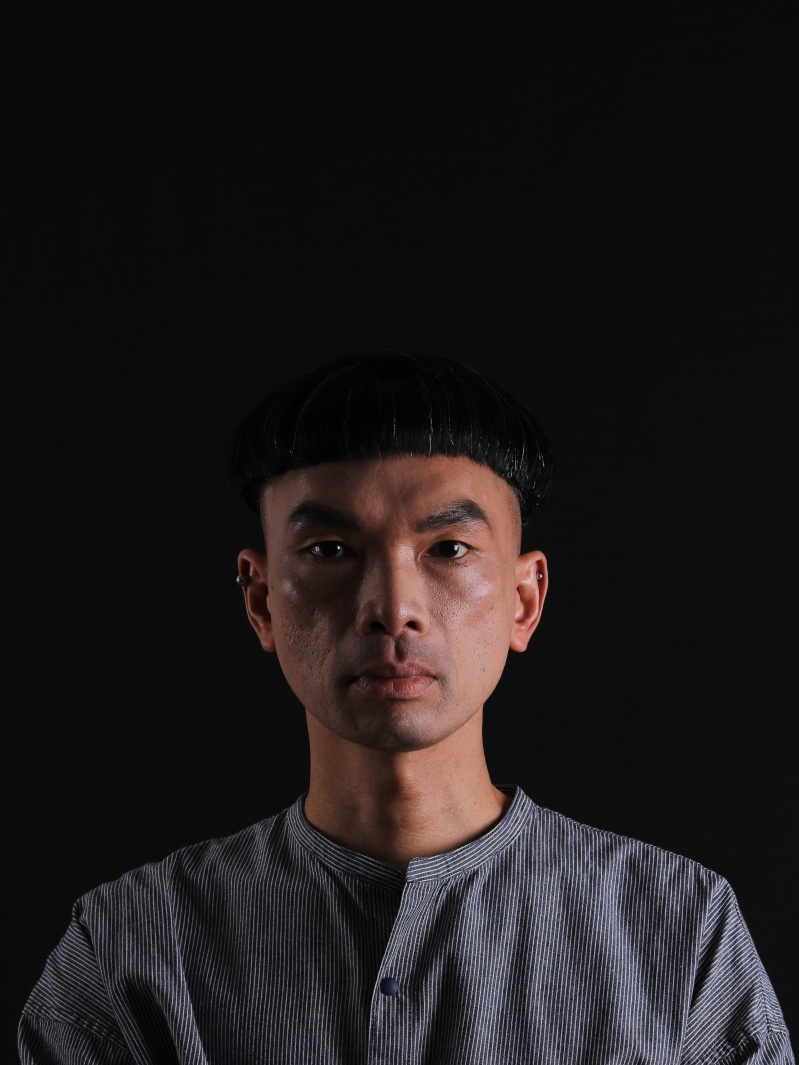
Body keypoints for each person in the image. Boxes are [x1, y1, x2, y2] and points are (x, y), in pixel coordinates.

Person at [19, 351, 793, 1064]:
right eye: (330, 550)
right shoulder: (128, 950)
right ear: (260, 600)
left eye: (447, 549)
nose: (393, 608)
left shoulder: (678, 931)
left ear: (523, 600)